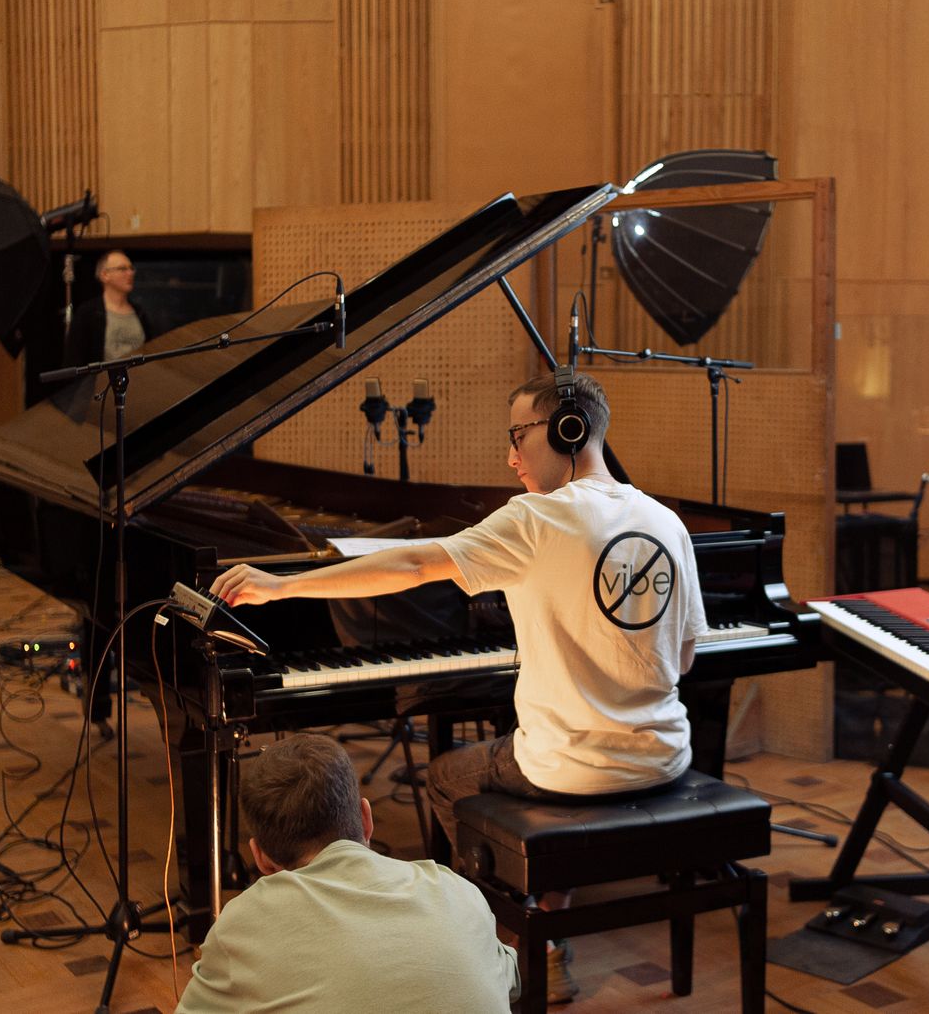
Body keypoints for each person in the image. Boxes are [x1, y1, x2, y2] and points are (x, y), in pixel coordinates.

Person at [213, 369, 708, 1003]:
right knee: (522, 751)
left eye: (519, 436)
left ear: (568, 429)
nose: (511, 457)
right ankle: (549, 916)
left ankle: (501, 947)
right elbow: (683, 659)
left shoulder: (538, 518)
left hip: (574, 769)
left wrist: (282, 586)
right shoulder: (666, 521)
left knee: (447, 777)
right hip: (665, 757)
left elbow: (416, 562)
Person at [175, 732, 519, 1013]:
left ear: (261, 858)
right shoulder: (456, 890)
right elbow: (509, 981)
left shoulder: (243, 923)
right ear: (366, 819)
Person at [63, 250, 149, 366]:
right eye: (122, 269)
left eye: (131, 268)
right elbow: (74, 359)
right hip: (103, 377)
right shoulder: (88, 313)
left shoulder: (139, 312)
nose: (130, 273)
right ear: (105, 275)